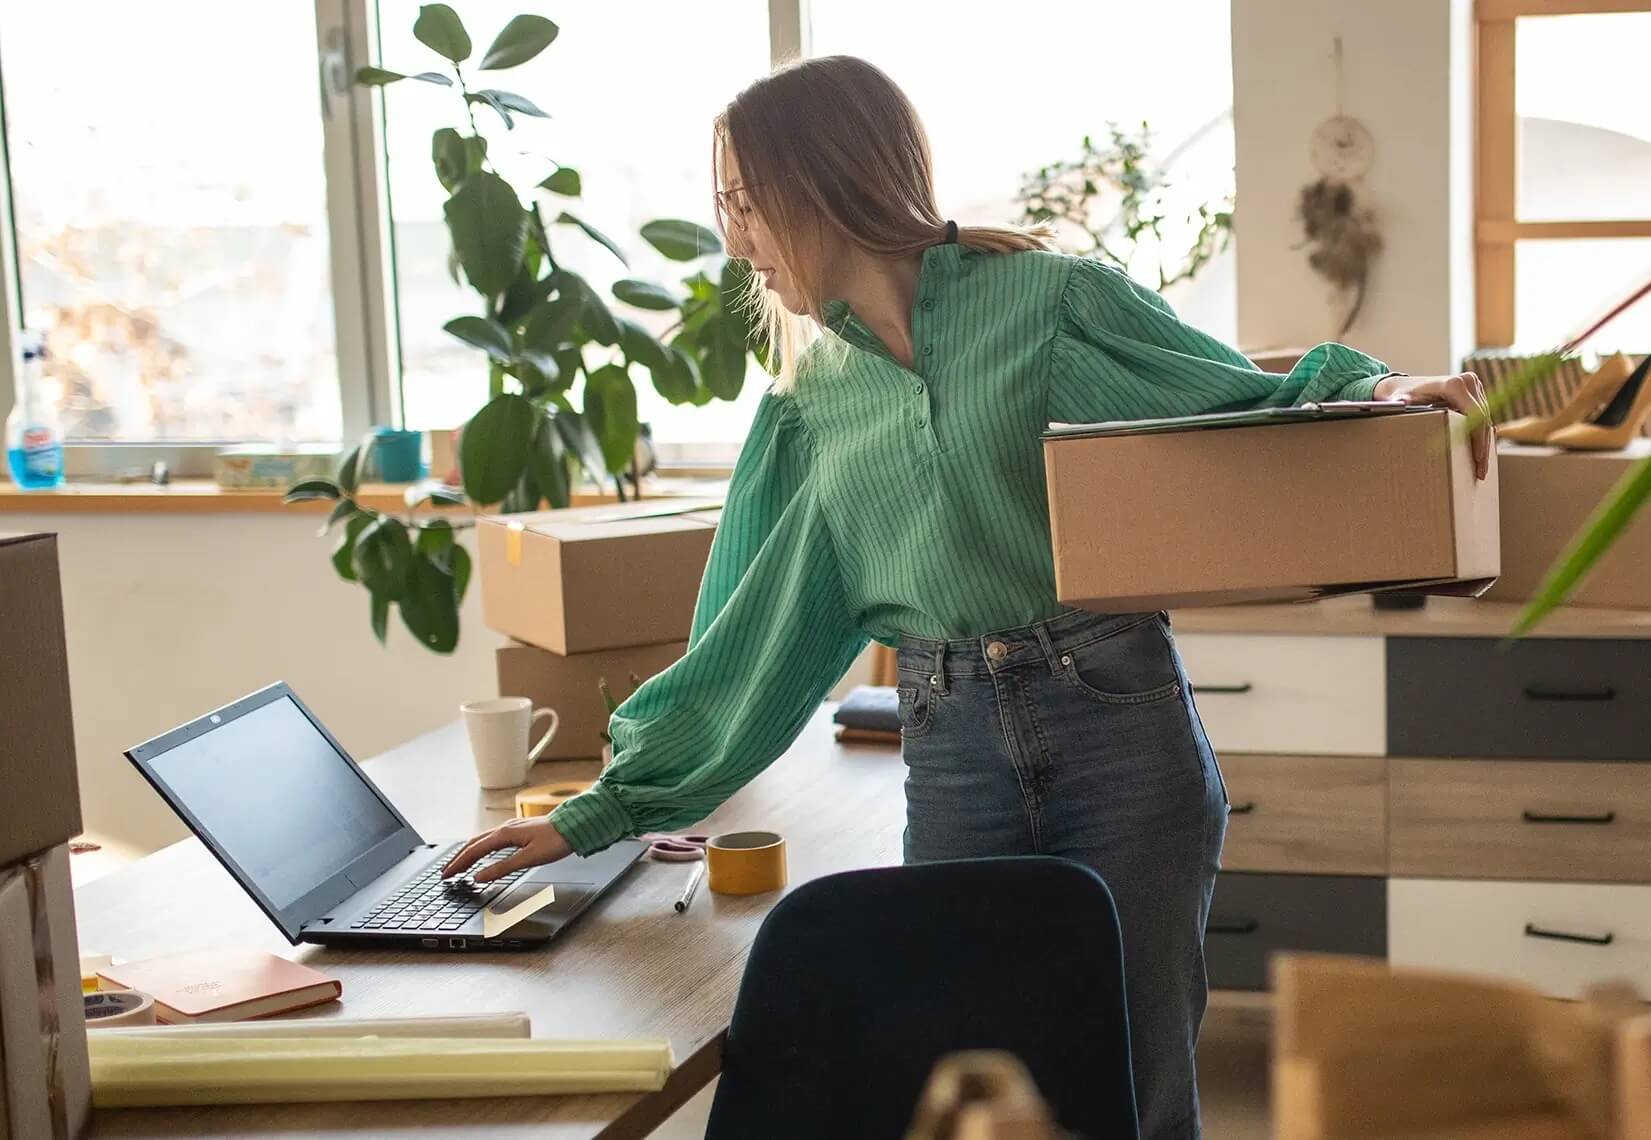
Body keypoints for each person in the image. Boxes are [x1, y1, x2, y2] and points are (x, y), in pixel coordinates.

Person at [442, 54, 1489, 1140]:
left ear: (821, 183)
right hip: (953, 757)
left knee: (1136, 1089)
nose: (735, 240)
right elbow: (752, 638)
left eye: (744, 206)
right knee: (970, 1091)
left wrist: (1374, 394)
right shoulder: (812, 407)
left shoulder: (1050, 304)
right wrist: (602, 810)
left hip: (1121, 730)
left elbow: (1231, 401)